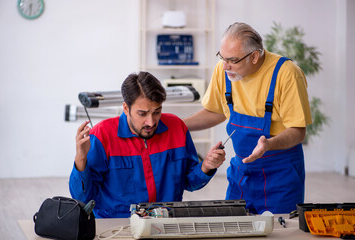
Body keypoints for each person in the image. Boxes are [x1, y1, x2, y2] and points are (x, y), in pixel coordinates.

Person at [183, 22, 312, 214]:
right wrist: (177, 125)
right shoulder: (224, 70)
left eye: (233, 60)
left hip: (281, 174)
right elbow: (217, 111)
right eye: (222, 57)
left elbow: (298, 131)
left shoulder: (286, 74)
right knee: (235, 226)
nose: (225, 66)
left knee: (281, 231)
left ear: (254, 56)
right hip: (242, 172)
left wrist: (268, 145)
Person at [69, 71, 225, 218]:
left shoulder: (177, 128)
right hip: (117, 226)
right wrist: (81, 159)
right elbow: (83, 198)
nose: (151, 122)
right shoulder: (103, 135)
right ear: (126, 108)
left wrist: (206, 166)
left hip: (166, 222)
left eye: (157, 112)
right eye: (142, 114)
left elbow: (190, 182)